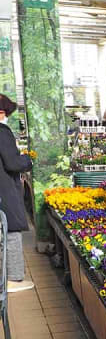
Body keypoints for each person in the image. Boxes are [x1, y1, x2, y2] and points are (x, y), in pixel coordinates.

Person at [0, 95, 34, 293]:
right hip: (4, 188)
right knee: (11, 231)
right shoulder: (2, 132)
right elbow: (12, 163)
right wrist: (27, 161)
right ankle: (14, 279)